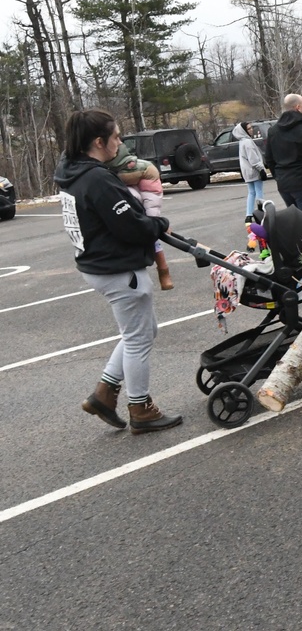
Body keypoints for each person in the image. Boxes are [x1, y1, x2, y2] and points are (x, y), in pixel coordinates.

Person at [54, 109, 183, 434]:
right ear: (98, 142)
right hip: (118, 268)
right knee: (139, 338)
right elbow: (131, 227)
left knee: (142, 331)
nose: (119, 142)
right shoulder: (97, 179)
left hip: (96, 264)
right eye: (115, 137)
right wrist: (158, 223)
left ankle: (104, 393)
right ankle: (141, 408)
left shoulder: (72, 172)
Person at [106, 144, 173, 290]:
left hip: (145, 198)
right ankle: (162, 270)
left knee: (154, 240)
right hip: (135, 204)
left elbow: (152, 199)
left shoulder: (137, 168)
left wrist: (155, 221)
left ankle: (164, 271)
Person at [265, 93, 302, 212]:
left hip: (284, 185)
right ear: (298, 107)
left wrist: (279, 177)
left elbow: (269, 159)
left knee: (296, 221)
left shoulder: (273, 131)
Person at [235, 121, 267, 224]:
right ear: (244, 131)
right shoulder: (248, 142)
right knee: (259, 191)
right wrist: (261, 169)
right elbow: (253, 159)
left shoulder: (242, 141)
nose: (251, 130)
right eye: (248, 129)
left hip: (246, 171)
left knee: (251, 192)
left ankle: (248, 215)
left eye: (251, 128)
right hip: (254, 170)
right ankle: (260, 212)